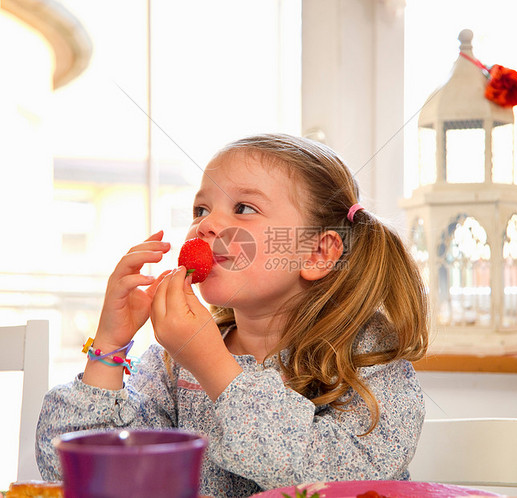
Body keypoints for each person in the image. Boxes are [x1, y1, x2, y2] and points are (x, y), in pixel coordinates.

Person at [36, 133, 428, 497]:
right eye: (201, 208)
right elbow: (76, 479)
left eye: (243, 208)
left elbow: (337, 478)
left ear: (318, 253)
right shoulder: (172, 365)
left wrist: (215, 368)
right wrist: (109, 347)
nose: (205, 224)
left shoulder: (369, 361)